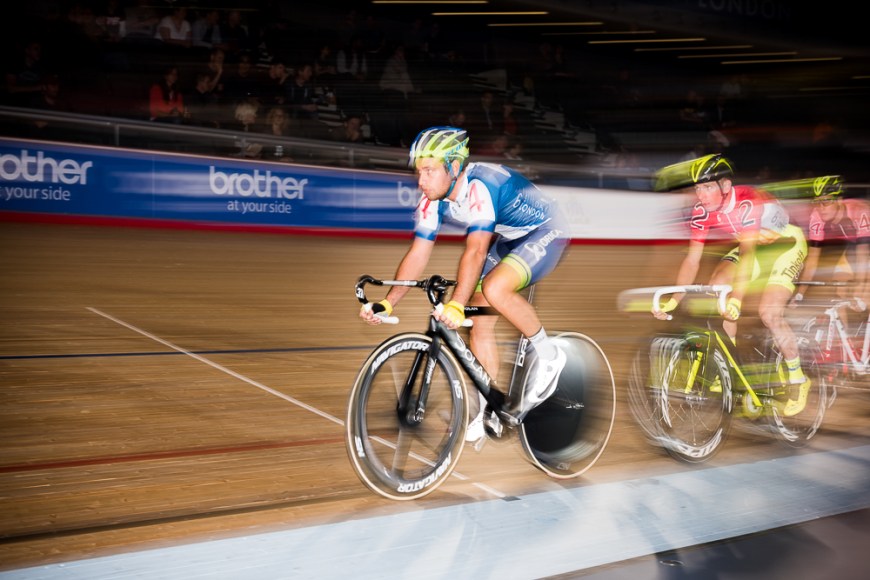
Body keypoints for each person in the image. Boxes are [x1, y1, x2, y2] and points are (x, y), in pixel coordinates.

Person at [358, 126, 571, 442]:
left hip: (546, 231)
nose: (421, 180)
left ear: (453, 167)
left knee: (495, 289)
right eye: (419, 172)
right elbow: (417, 254)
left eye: (429, 171)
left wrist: (457, 303)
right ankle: (488, 408)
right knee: (480, 325)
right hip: (511, 239)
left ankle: (550, 354)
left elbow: (476, 251)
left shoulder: (481, 186)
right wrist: (389, 302)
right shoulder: (433, 199)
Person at [652, 154, 811, 416]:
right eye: (697, 188)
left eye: (708, 187)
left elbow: (748, 254)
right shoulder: (701, 211)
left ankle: (797, 379)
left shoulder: (747, 201)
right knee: (718, 287)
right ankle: (730, 368)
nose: (701, 195)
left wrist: (737, 298)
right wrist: (674, 298)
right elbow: (692, 261)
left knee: (769, 313)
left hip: (785, 246)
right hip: (755, 245)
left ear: (725, 186)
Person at [791, 176, 870, 313]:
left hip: (863, 249)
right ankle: (843, 334)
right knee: (839, 290)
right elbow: (812, 260)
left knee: (864, 296)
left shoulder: (859, 212)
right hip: (853, 248)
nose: (821, 208)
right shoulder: (816, 216)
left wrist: (859, 291)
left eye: (826, 201)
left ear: (839, 200)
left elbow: (863, 254)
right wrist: (800, 294)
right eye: (817, 202)